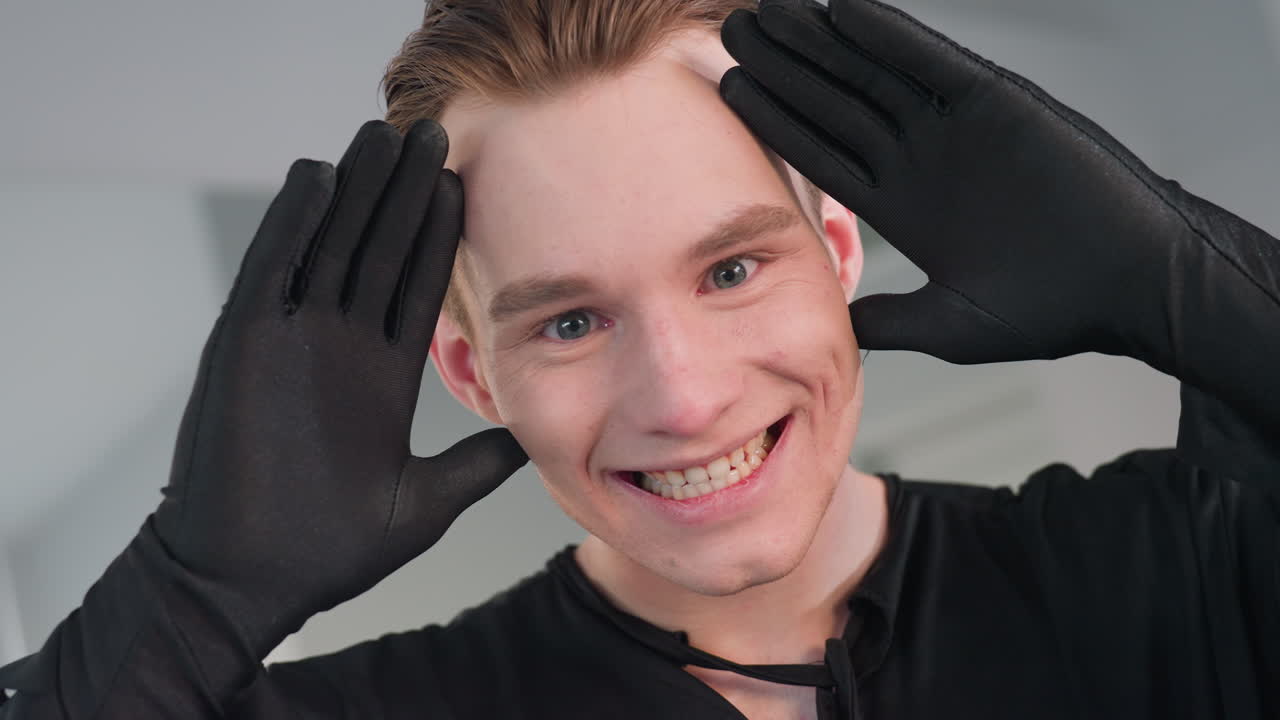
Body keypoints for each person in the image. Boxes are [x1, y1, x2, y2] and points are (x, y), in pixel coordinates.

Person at [1, 0, 1277, 717]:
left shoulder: (1183, 566)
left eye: (731, 270)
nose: (683, 395)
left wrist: (1196, 293)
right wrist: (192, 596)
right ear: (471, 375)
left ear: (837, 251)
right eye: (568, 322)